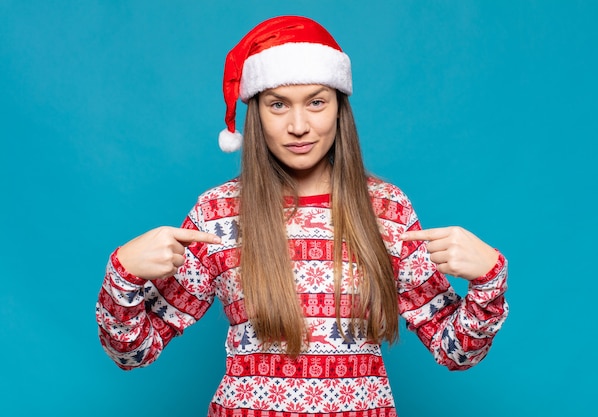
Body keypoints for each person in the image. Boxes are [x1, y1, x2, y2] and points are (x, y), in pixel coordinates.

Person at [96, 15, 508, 416]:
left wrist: (489, 279)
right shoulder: (218, 214)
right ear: (256, 113)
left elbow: (455, 351)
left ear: (338, 108)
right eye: (278, 104)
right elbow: (133, 352)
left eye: (316, 102)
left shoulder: (387, 209)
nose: (298, 125)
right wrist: (122, 274)